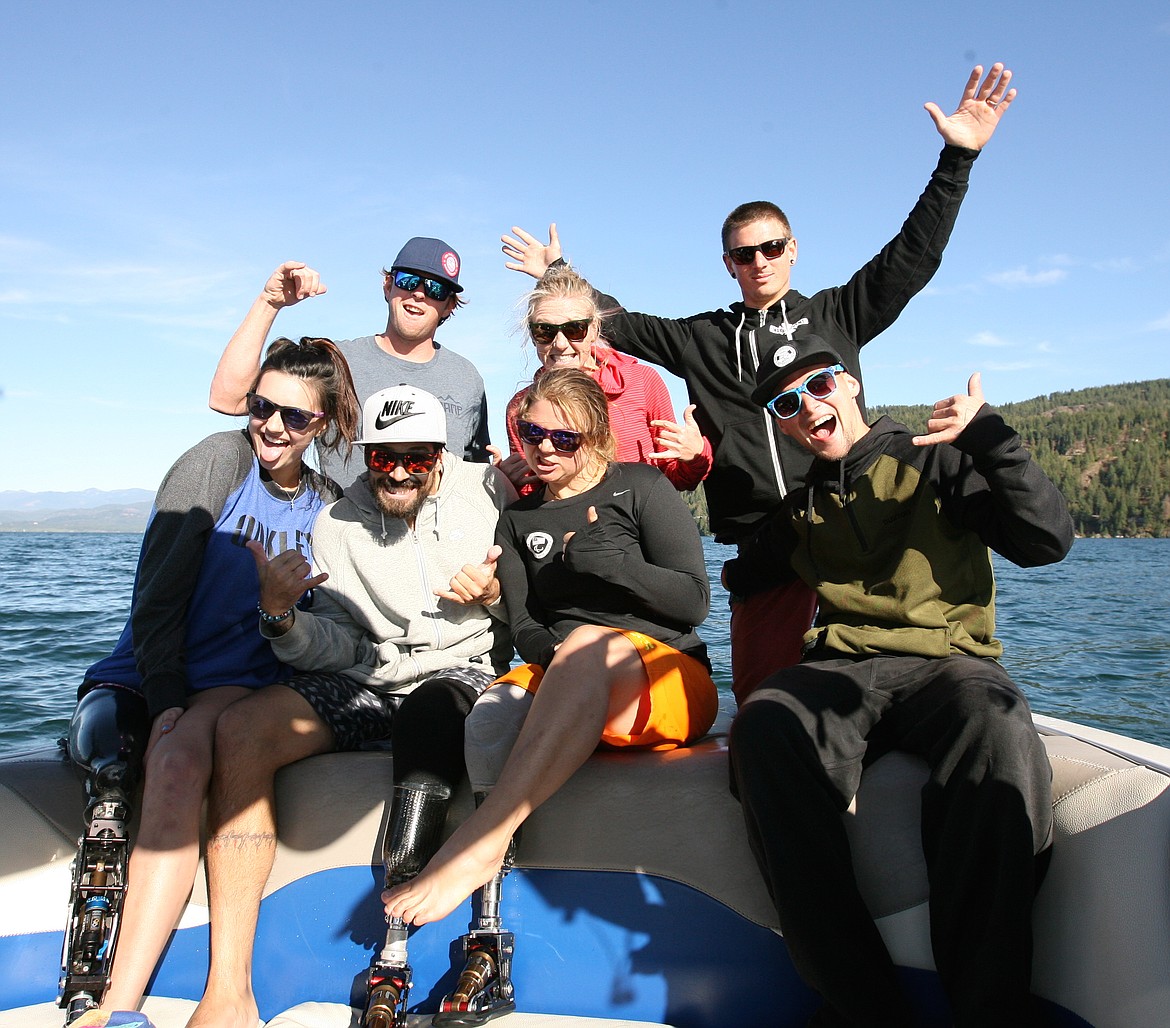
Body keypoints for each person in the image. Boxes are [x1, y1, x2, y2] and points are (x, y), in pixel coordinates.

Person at [502, 62, 1017, 703]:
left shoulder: (837, 316)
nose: (760, 262)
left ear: (792, 248)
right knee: (763, 706)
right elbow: (614, 321)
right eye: (744, 254)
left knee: (877, 685)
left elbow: (912, 257)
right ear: (728, 264)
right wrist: (560, 272)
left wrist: (957, 160)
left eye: (771, 248)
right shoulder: (702, 338)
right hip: (763, 547)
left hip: (849, 524)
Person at [723, 333, 1074, 1025]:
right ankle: (863, 1004)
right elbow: (732, 574)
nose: (805, 408)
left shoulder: (935, 460)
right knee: (765, 727)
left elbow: (1046, 541)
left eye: (817, 386)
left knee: (995, 719)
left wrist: (992, 441)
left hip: (948, 663)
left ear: (849, 384)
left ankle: (987, 1005)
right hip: (839, 670)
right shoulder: (801, 509)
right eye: (786, 404)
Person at [185, 385, 516, 1028]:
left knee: (436, 708)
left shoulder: (490, 492)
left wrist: (498, 593)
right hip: (370, 678)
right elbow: (337, 642)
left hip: (464, 670)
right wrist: (281, 618)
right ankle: (228, 988)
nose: (396, 472)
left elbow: (537, 596)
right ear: (364, 454)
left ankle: (418, 941)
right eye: (381, 457)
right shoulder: (335, 525)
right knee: (243, 729)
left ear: (441, 454)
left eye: (415, 458)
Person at [382, 370, 719, 996]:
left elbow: (694, 602)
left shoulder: (641, 488)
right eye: (531, 432)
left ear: (594, 435)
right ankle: (489, 913)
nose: (544, 447)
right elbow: (530, 629)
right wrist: (567, 661)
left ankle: (480, 843)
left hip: (668, 675)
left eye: (563, 437)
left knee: (590, 644)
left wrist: (618, 567)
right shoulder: (517, 521)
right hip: (574, 673)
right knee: (491, 711)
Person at [66, 336, 359, 1019]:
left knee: (175, 766)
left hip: (237, 678)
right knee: (159, 762)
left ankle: (120, 1004)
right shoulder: (218, 461)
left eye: (296, 418)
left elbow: (326, 628)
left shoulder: (330, 506)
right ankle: (121, 1005)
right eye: (262, 406)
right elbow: (157, 593)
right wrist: (165, 697)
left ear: (321, 427)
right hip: (148, 669)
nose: (273, 426)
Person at [209, 239, 491, 488]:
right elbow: (228, 399)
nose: (419, 293)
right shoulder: (335, 362)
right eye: (408, 280)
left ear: (449, 305)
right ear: (389, 285)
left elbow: (475, 471)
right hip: (342, 537)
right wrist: (269, 302)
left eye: (436, 289)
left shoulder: (467, 379)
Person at [499, 263, 711, 494]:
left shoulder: (642, 382)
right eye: (545, 331)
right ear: (532, 335)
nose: (560, 343)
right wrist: (508, 483)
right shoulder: (520, 408)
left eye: (574, 329)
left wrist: (696, 456)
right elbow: (534, 494)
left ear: (595, 328)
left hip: (637, 526)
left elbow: (675, 479)